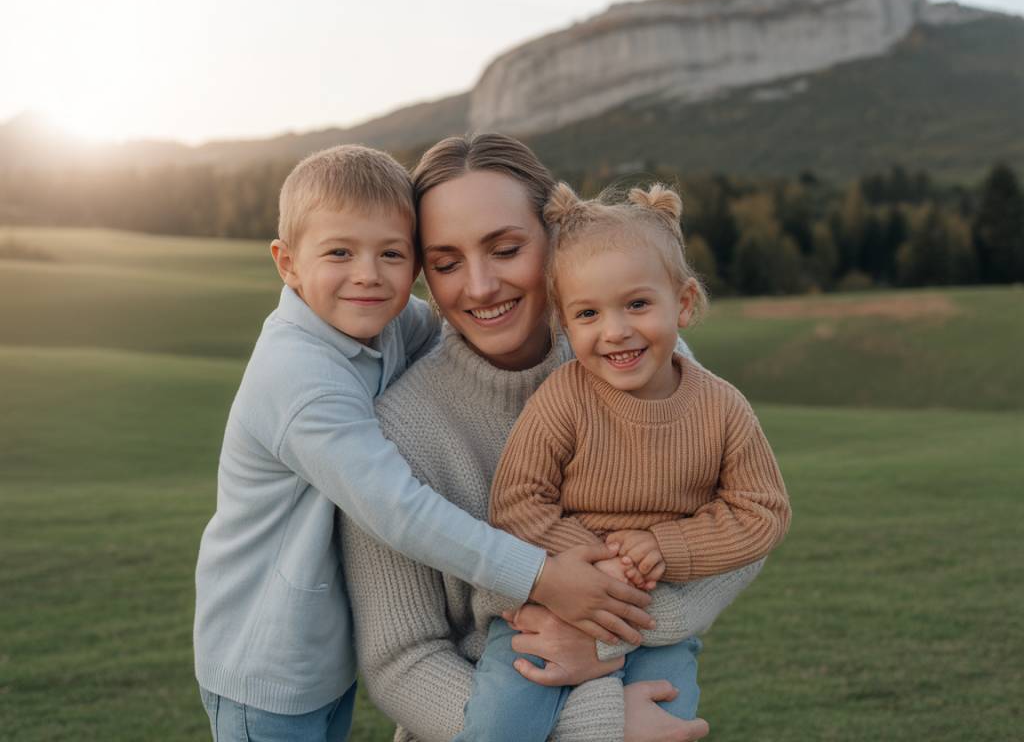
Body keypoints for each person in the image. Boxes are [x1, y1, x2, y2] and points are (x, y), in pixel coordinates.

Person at [193, 145, 654, 742]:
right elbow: (400, 511)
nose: (368, 274)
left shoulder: (391, 323)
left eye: (391, 254)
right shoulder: (299, 379)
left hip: (322, 656)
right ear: (287, 263)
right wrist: (542, 577)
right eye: (339, 253)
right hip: (266, 662)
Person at [342, 134, 766, 742]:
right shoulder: (397, 428)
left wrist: (611, 630)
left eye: (506, 249)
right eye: (447, 263)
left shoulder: (642, 359)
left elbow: (741, 529)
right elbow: (401, 659)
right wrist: (598, 724)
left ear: (557, 239)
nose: (480, 286)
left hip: (646, 686)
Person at [458, 182, 792, 742]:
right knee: (501, 727)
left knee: (666, 726)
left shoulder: (722, 408)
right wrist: (595, 562)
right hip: (554, 606)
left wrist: (664, 547)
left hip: (655, 621)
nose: (615, 331)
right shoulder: (565, 398)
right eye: (588, 313)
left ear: (683, 303)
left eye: (637, 304)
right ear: (564, 323)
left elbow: (762, 510)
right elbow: (517, 502)